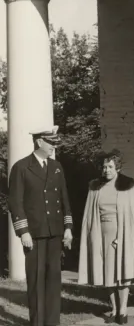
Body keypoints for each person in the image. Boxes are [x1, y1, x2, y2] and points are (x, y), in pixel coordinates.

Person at [8, 126, 73, 326]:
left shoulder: (56, 167)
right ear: (39, 142)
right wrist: (23, 232)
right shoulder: (21, 167)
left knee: (53, 282)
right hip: (34, 234)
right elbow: (15, 203)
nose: (54, 146)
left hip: (55, 232)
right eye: (51, 142)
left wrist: (68, 227)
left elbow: (64, 199)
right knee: (36, 282)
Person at [78, 149, 134, 325]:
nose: (107, 171)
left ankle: (124, 309)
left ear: (117, 168)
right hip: (100, 234)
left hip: (122, 235)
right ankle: (115, 308)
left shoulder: (128, 185)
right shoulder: (95, 186)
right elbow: (89, 214)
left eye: (110, 167)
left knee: (122, 273)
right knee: (106, 274)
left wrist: (122, 237)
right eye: (104, 167)